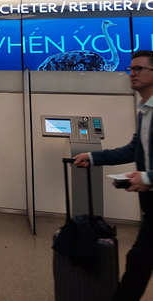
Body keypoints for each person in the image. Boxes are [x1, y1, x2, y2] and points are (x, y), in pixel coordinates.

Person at [74, 49, 153, 301]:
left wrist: (148, 178)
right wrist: (95, 157)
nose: (132, 74)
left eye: (139, 69)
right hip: (151, 203)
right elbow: (133, 150)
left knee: (138, 262)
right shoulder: (145, 111)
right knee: (139, 262)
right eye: (131, 69)